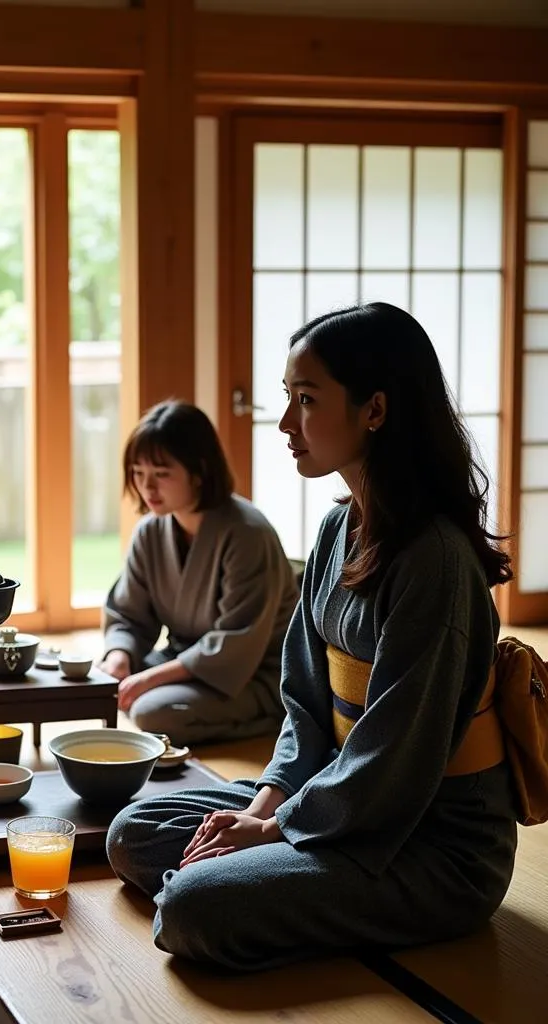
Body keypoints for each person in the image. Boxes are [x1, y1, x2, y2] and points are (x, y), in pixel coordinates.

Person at [106, 303, 517, 971]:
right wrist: (268, 801)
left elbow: (396, 760)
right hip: (338, 799)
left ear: (374, 410)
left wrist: (269, 831)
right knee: (134, 833)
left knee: (192, 907)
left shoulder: (435, 561)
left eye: (306, 400)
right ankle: (265, 882)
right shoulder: (336, 531)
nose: (285, 423)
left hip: (431, 842)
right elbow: (302, 704)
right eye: (287, 399)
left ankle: (246, 889)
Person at [99, 400, 298, 746]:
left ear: (199, 471)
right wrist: (119, 658)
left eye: (161, 474)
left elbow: (235, 642)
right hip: (184, 660)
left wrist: (148, 680)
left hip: (255, 675)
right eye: (138, 472)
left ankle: (276, 721)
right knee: (102, 685)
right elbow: (128, 615)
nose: (148, 487)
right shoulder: (150, 531)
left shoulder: (247, 533)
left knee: (149, 711)